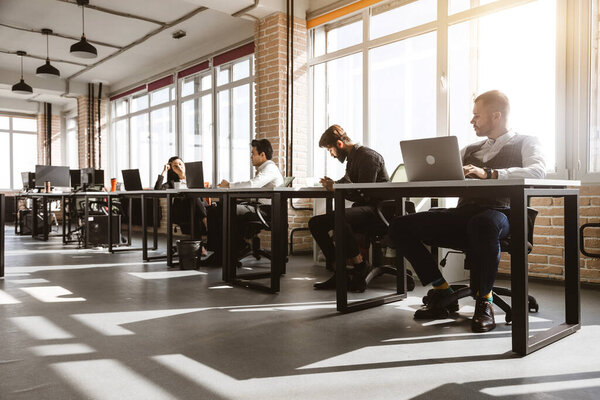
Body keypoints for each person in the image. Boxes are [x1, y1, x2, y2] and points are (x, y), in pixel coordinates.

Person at [388, 90, 546, 333]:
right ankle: (442, 291)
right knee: (400, 226)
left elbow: (538, 172)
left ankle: (485, 301)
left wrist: (491, 174)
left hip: (502, 213)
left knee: (483, 224)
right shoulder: (470, 149)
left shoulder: (526, 141)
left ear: (496, 116)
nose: (472, 121)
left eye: (476, 116)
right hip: (466, 213)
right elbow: (449, 178)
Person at [309, 124, 389, 292]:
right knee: (316, 223)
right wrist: (334, 184)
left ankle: (360, 266)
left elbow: (364, 194)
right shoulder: (353, 158)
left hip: (378, 210)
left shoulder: (368, 157)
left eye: (329, 149)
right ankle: (340, 271)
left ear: (339, 144)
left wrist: (336, 188)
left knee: (340, 217)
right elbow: (350, 185)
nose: (330, 154)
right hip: (364, 208)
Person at [217, 139, 284, 256]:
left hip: (266, 210)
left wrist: (229, 185)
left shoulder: (270, 168)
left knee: (225, 209)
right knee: (220, 207)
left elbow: (253, 184)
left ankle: (232, 248)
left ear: (262, 155)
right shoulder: (264, 169)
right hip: (260, 207)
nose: (251, 157)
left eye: (253, 153)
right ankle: (227, 249)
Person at [154, 156, 208, 242]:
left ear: (184, 165)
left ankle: (200, 246)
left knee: (196, 214)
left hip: (196, 209)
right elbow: (157, 189)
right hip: (182, 212)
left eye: (180, 164)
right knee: (192, 198)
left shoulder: (194, 177)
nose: (179, 167)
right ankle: (205, 221)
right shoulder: (172, 182)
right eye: (175, 166)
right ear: (172, 169)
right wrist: (164, 171)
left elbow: (202, 195)